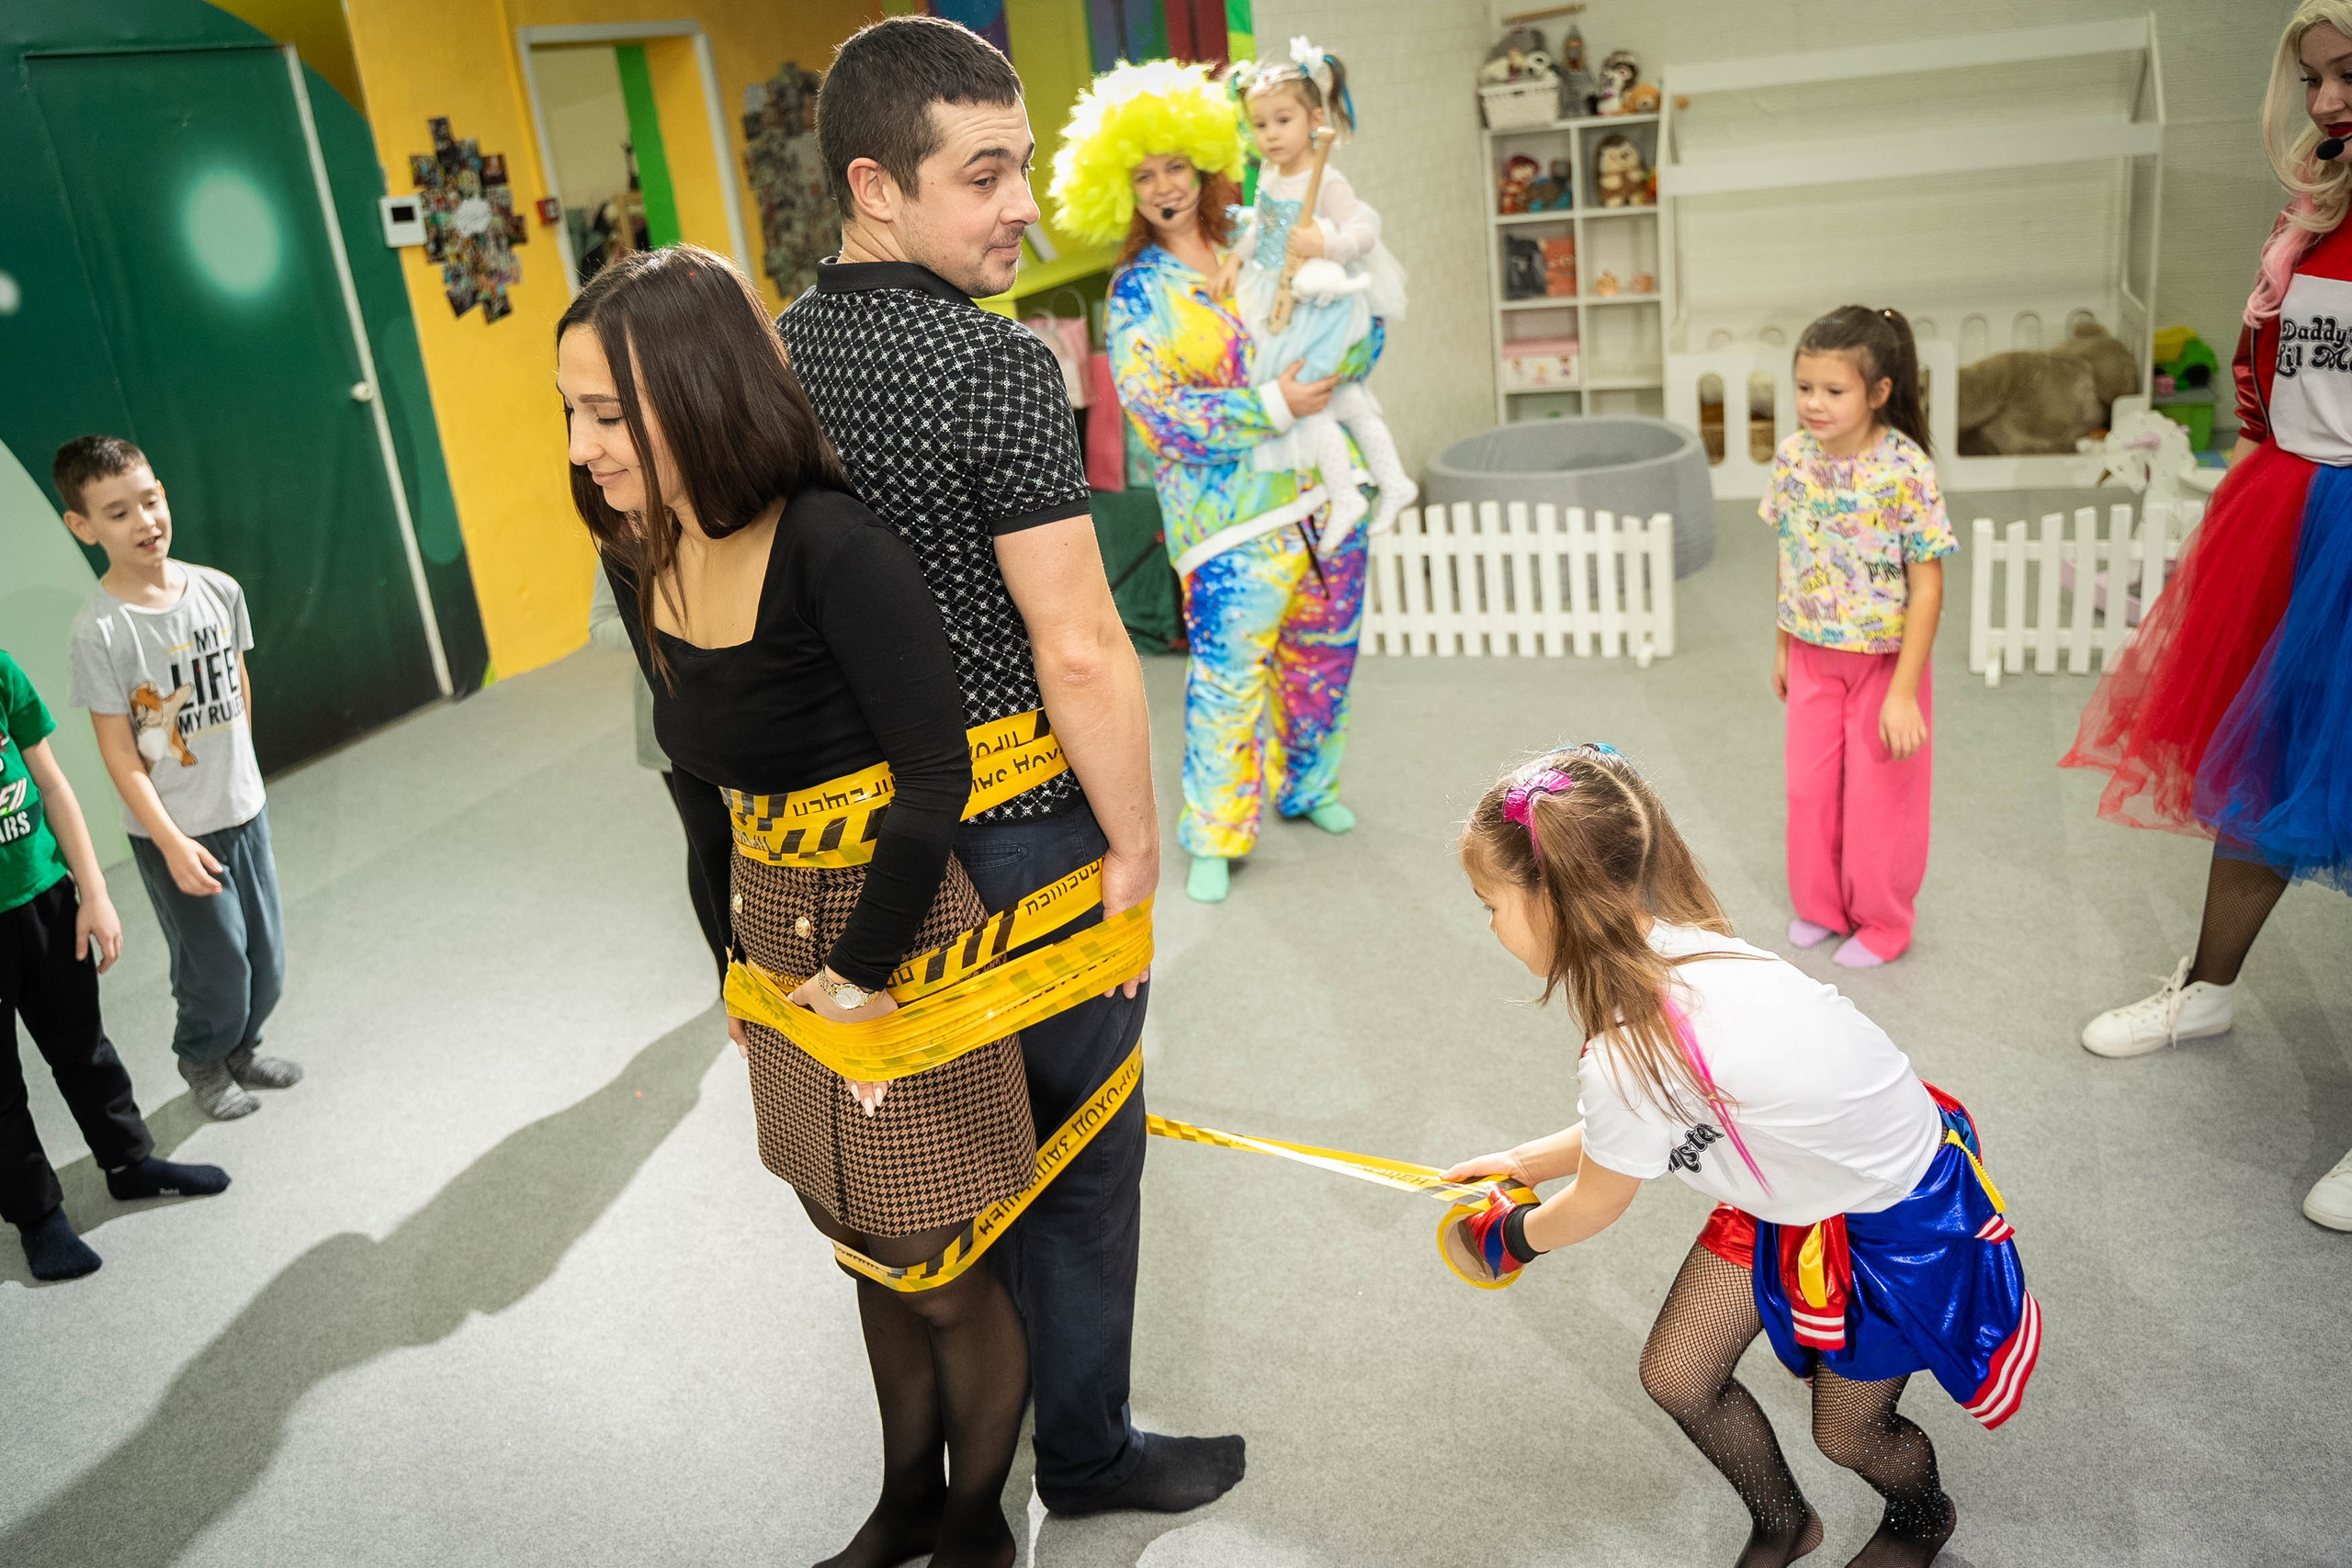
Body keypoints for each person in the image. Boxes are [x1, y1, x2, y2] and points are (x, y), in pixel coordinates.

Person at [780, 18, 1245, 1517]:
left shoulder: (771, 362)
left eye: (1022, 167)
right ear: (877, 185)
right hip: (1028, 840)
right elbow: (1087, 648)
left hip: (847, 861)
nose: (1023, 204)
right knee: (1081, 1155)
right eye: (983, 176)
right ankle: (1088, 1454)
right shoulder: (989, 365)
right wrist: (1137, 849)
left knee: (920, 1181)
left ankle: (951, 1474)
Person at [562, 244, 1036, 1568]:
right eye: (573, 412)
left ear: (698, 392)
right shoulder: (637, 549)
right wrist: (734, 957)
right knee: (855, 1235)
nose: (585, 444)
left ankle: (976, 1520)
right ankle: (901, 1502)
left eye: (609, 412)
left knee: (934, 1250)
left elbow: (935, 775)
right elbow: (695, 792)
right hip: (776, 918)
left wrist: (864, 969)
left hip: (892, 921)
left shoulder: (835, 546)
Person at [1441, 746, 2037, 1568]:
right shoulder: (1680, 952)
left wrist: (1506, 1238)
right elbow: (1653, 1114)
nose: (1492, 926)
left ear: (1554, 899)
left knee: (1848, 1431)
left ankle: (1921, 1514)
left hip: (1898, 1219)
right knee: (1681, 1374)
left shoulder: (1626, 1050)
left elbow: (1596, 1203)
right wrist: (1523, 1160)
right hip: (1791, 1177)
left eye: (1490, 905)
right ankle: (1785, 1520)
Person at [2065, 3, 2352, 1233]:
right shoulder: (2318, 213)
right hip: (2291, 512)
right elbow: (2272, 372)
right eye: (2315, 80)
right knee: (2262, 769)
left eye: (2348, 76)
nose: (2328, 103)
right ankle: (2211, 987)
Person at [1055, 58, 1379, 907]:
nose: (1164, 187)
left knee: (1323, 658)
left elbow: (1351, 314)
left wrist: (1346, 351)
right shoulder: (1135, 294)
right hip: (1229, 523)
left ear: (1203, 163)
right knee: (1228, 682)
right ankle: (1216, 830)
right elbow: (1160, 415)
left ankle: (1309, 787)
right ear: (1116, 190)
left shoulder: (1265, 223)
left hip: (1322, 495)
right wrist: (1273, 400)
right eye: (1143, 174)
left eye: (1176, 166)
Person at [57, 436, 302, 1122]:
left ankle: (243, 1046)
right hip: (175, 831)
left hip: (242, 811)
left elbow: (238, 686)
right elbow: (119, 753)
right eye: (117, 513)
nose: (145, 522)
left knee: (267, 957)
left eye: (150, 500)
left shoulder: (220, 589)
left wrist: (244, 777)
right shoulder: (100, 632)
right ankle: (203, 1055)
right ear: (83, 527)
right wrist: (169, 840)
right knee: (216, 969)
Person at [2, 649, 230, 1280]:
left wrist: (93, 891)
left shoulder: (1, 668)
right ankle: (39, 1218)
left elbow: (49, 782)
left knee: (83, 1047)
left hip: (46, 899)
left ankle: (129, 1162)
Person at [1764, 308, 1952, 969]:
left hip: (1884, 665)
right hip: (1814, 654)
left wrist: (1904, 694)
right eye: (1804, 387)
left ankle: (1883, 921)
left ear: (1879, 393)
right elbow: (1791, 554)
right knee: (1808, 791)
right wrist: (1784, 645)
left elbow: (1927, 587)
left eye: (1833, 390)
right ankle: (1821, 906)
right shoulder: (1792, 459)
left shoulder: (1906, 470)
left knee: (1880, 803)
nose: (1814, 404)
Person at [1223, 36, 1415, 539]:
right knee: (1341, 398)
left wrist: (1326, 246)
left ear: (1313, 120)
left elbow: (1363, 230)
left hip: (1318, 303)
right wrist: (1235, 260)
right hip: (1276, 294)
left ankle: (1347, 495)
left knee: (1305, 399)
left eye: (1282, 121)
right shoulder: (1269, 173)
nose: (1270, 135)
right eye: (1259, 124)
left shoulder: (1324, 179)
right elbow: (1260, 228)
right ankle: (1392, 480)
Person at [586, 570, 731, 979]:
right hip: (669, 712)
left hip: (737, 703)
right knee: (708, 842)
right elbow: (600, 628)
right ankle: (729, 975)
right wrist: (673, 622)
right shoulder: (621, 532)